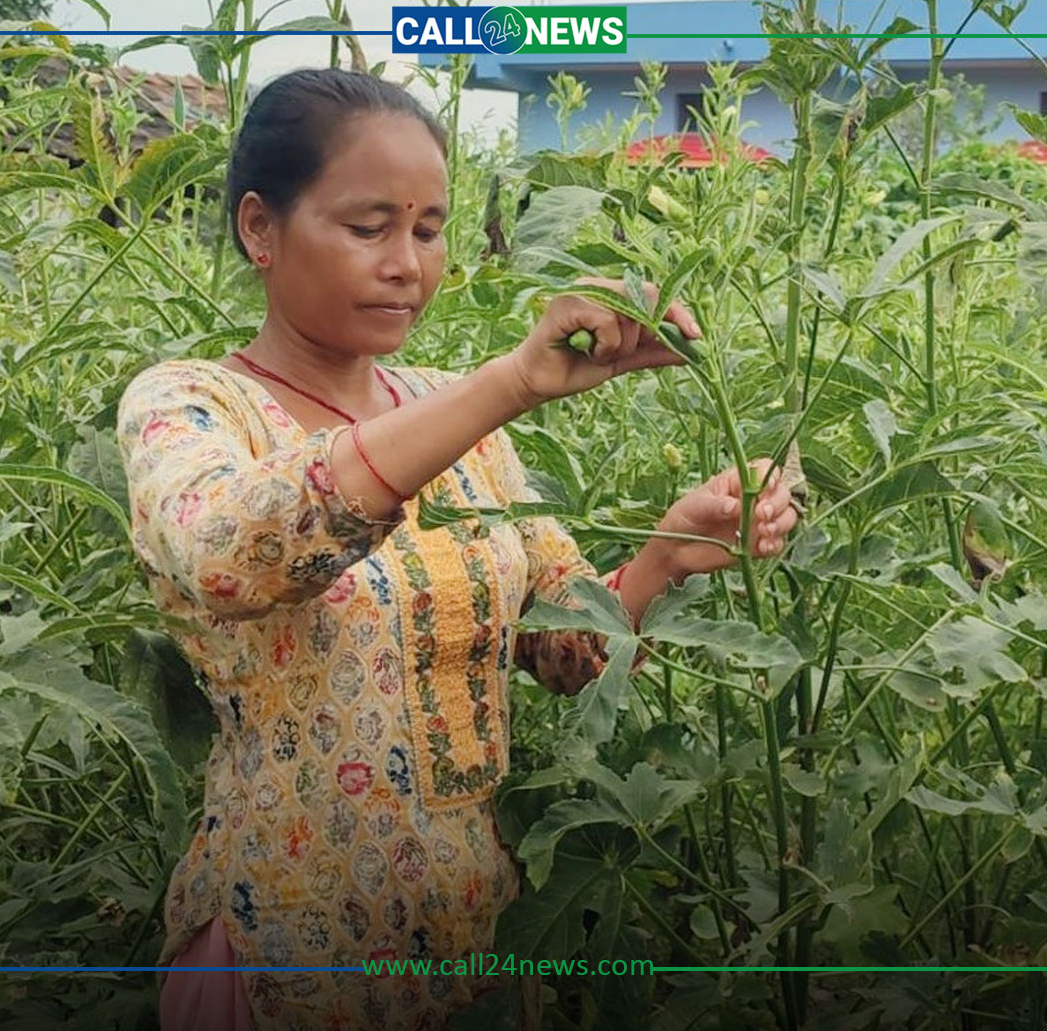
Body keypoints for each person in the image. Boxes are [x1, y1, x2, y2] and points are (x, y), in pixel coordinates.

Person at [115, 67, 798, 1031]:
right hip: (288, 946)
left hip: (473, 939)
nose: (408, 264)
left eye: (428, 230)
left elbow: (568, 651)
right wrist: (506, 383)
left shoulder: (466, 424)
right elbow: (232, 555)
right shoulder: (191, 404)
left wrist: (669, 552)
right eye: (368, 228)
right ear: (260, 229)